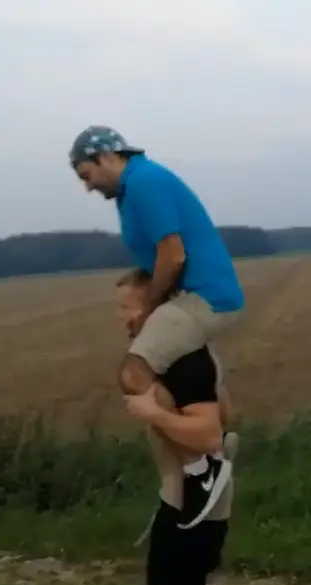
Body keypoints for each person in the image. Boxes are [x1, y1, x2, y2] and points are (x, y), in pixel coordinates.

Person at [117, 268, 277, 585]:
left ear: (156, 309)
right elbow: (227, 411)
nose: (122, 318)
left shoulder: (187, 363)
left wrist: (153, 413)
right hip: (181, 491)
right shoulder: (181, 357)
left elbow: (208, 435)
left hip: (197, 497)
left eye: (127, 307)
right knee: (166, 581)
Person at [71, 125, 246, 523]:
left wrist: (149, 309)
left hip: (203, 297)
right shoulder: (134, 187)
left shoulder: (143, 182)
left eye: (86, 174)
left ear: (106, 157)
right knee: (180, 377)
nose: (87, 186)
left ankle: (202, 468)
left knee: (134, 374)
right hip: (197, 295)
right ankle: (214, 443)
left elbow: (173, 254)